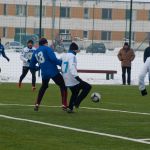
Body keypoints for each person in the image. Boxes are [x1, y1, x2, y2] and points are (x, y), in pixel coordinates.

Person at [30, 38, 67, 111]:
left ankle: (37, 104)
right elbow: (53, 59)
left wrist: (37, 68)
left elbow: (31, 64)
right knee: (63, 85)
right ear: (45, 43)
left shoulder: (35, 51)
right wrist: (61, 64)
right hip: (53, 71)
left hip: (44, 73)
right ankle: (64, 104)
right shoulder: (47, 49)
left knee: (44, 86)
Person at [61, 42, 92, 113]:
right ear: (74, 50)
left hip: (65, 78)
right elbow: (72, 67)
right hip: (72, 78)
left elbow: (59, 62)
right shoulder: (72, 56)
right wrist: (77, 78)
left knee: (75, 91)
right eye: (77, 50)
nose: (77, 52)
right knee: (88, 87)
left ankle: (70, 108)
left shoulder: (64, 55)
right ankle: (77, 102)